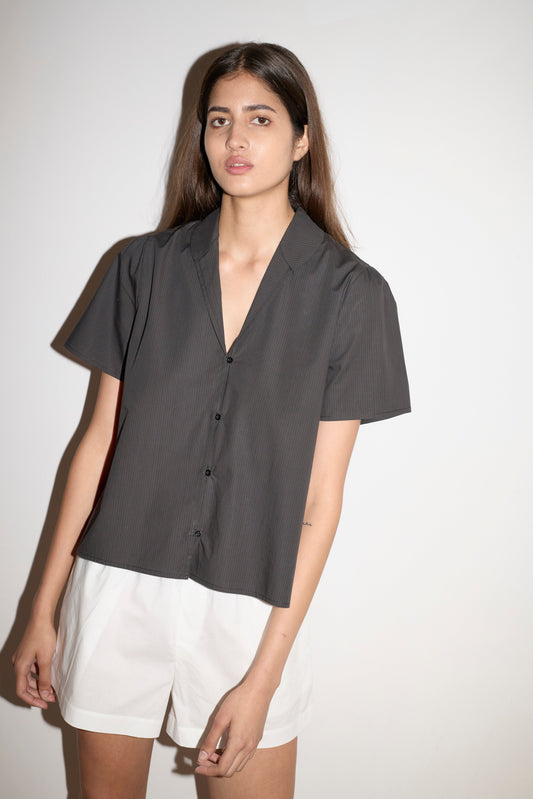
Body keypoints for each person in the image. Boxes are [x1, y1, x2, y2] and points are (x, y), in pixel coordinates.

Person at [12, 42, 411, 799]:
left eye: (260, 119)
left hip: (251, 608)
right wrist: (43, 607)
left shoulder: (352, 296)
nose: (235, 139)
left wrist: (262, 676)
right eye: (219, 119)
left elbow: (320, 503)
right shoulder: (141, 268)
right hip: (118, 588)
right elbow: (95, 446)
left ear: (299, 139)